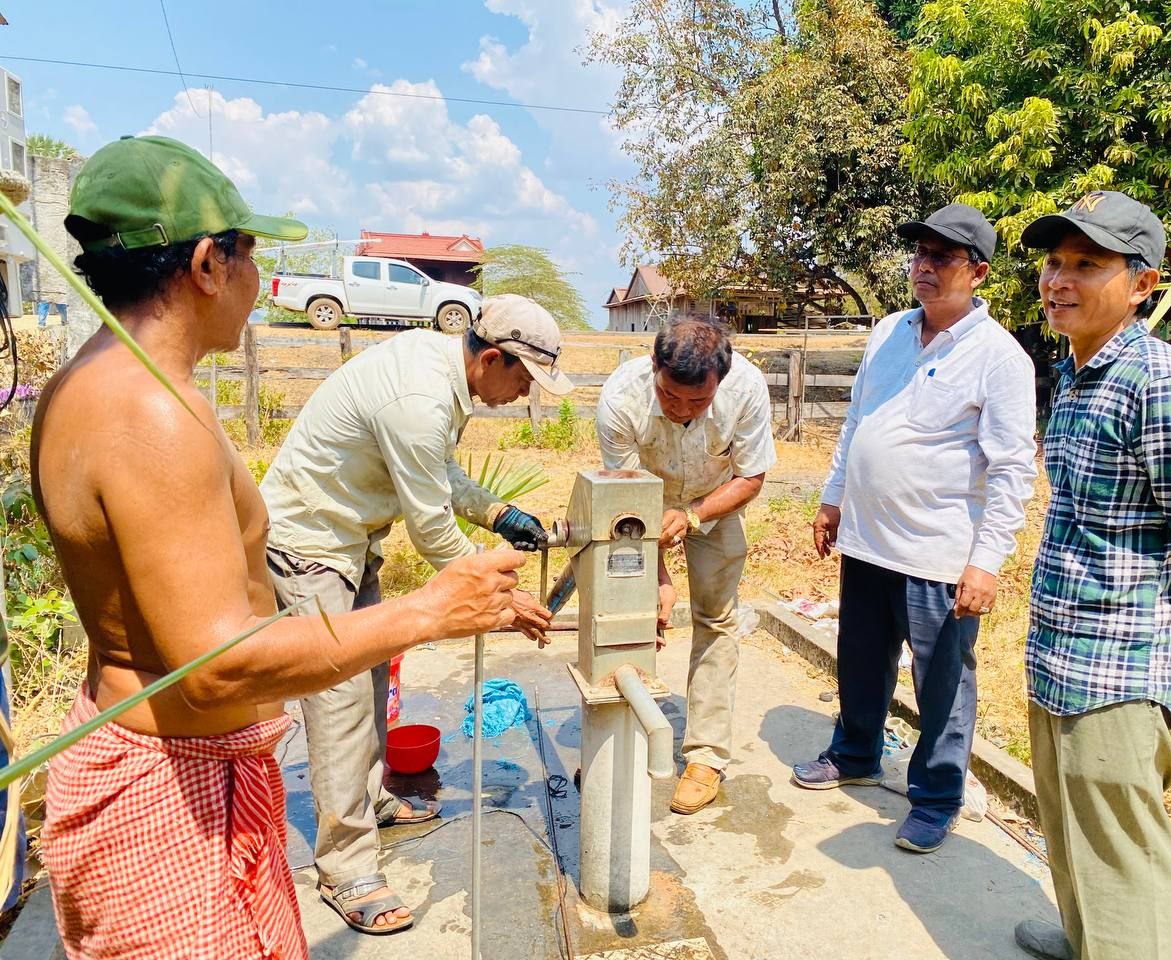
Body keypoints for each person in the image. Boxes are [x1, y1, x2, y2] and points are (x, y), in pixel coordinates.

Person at [31, 135, 523, 960]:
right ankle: (350, 856)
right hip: (168, 790)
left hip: (181, 761)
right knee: (340, 719)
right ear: (206, 266)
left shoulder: (93, 380)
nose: (262, 282)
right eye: (252, 253)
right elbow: (217, 662)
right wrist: (431, 610)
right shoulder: (152, 415)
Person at [258, 293, 570, 934]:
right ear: (490, 358)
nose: (524, 394)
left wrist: (496, 513)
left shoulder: (440, 373)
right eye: (523, 379)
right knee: (340, 698)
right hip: (310, 543)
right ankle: (346, 868)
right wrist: (503, 599)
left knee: (374, 680)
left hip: (351, 535)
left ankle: (368, 799)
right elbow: (431, 534)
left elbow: (439, 474)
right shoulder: (421, 402)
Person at [1013, 191, 1171, 960]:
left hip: (1118, 660)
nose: (1060, 281)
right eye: (1055, 262)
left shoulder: (1158, 382)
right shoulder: (1081, 372)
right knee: (1071, 819)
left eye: (1087, 265)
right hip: (1063, 648)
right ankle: (1090, 938)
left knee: (1122, 845)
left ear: (1142, 284)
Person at [791, 203, 1038, 854]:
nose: (924, 267)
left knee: (943, 685)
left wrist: (986, 562)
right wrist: (832, 498)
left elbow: (1013, 469)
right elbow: (856, 423)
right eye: (920, 253)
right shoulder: (889, 332)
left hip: (940, 554)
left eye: (942, 258)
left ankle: (935, 798)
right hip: (869, 539)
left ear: (978, 272)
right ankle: (856, 754)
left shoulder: (999, 358)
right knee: (861, 660)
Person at [596, 316, 776, 814]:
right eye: (670, 397)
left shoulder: (747, 388)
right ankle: (622, 743)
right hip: (637, 506)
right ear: (654, 367)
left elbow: (751, 477)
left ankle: (705, 755)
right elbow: (623, 492)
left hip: (715, 505)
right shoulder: (621, 399)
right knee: (629, 616)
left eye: (697, 403)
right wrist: (656, 572)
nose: (681, 411)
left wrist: (693, 516)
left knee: (716, 621)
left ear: (722, 380)